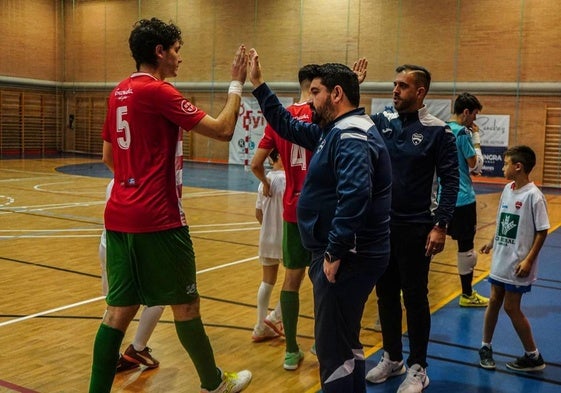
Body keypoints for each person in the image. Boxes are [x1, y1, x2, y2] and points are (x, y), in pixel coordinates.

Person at [89, 18, 252, 393]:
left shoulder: (118, 93)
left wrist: (135, 178)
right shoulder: (159, 92)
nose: (180, 58)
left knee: (117, 312)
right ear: (159, 52)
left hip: (118, 215)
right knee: (186, 305)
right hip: (158, 219)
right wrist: (236, 83)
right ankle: (215, 383)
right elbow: (224, 130)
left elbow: (108, 157)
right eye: (177, 50)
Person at [249, 48, 392, 393]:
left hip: (348, 258)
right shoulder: (336, 130)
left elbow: (356, 194)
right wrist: (259, 86)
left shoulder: (350, 135)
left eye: (315, 92)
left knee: (333, 349)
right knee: (346, 342)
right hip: (349, 255)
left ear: (336, 94)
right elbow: (285, 125)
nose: (310, 101)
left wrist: (335, 250)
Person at [365, 64, 459, 393]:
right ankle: (392, 358)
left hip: (417, 228)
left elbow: (451, 181)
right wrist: (352, 87)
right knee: (385, 295)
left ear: (420, 92)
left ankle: (418, 366)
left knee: (415, 297)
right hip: (382, 227)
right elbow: (345, 121)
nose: (395, 90)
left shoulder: (439, 131)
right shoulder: (381, 123)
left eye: (402, 86)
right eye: (394, 84)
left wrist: (441, 225)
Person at [250, 64, 317, 369]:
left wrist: (265, 184)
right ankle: (326, 343)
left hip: (293, 209)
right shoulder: (324, 114)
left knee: (291, 279)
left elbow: (256, 162)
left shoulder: (279, 119)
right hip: (322, 208)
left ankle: (291, 351)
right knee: (329, 279)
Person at [478, 145, 549, 372]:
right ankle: (485, 346)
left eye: (506, 163)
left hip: (518, 263)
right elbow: (502, 219)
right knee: (494, 300)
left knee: (511, 307)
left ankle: (533, 356)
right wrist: (492, 241)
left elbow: (542, 231)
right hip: (501, 258)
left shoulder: (534, 196)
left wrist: (528, 260)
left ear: (518, 167)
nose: (503, 167)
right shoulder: (508, 188)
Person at [99, 179, 165, 372]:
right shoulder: (143, 184)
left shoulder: (114, 182)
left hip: (108, 246)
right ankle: (137, 348)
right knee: (158, 298)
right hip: (130, 248)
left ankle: (109, 356)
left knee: (113, 308)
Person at [446, 92, 489, 307]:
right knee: (466, 248)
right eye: (474, 115)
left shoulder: (441, 129)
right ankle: (467, 294)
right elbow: (475, 165)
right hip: (462, 199)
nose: (474, 121)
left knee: (426, 244)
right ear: (465, 112)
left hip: (439, 198)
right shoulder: (463, 133)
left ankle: (404, 287)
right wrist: (477, 139)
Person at [251, 149, 285, 343]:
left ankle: (259, 326)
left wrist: (267, 229)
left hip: (267, 236)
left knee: (267, 281)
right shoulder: (288, 180)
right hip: (285, 237)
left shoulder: (265, 180)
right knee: (295, 279)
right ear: (278, 157)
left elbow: (258, 213)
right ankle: (275, 317)